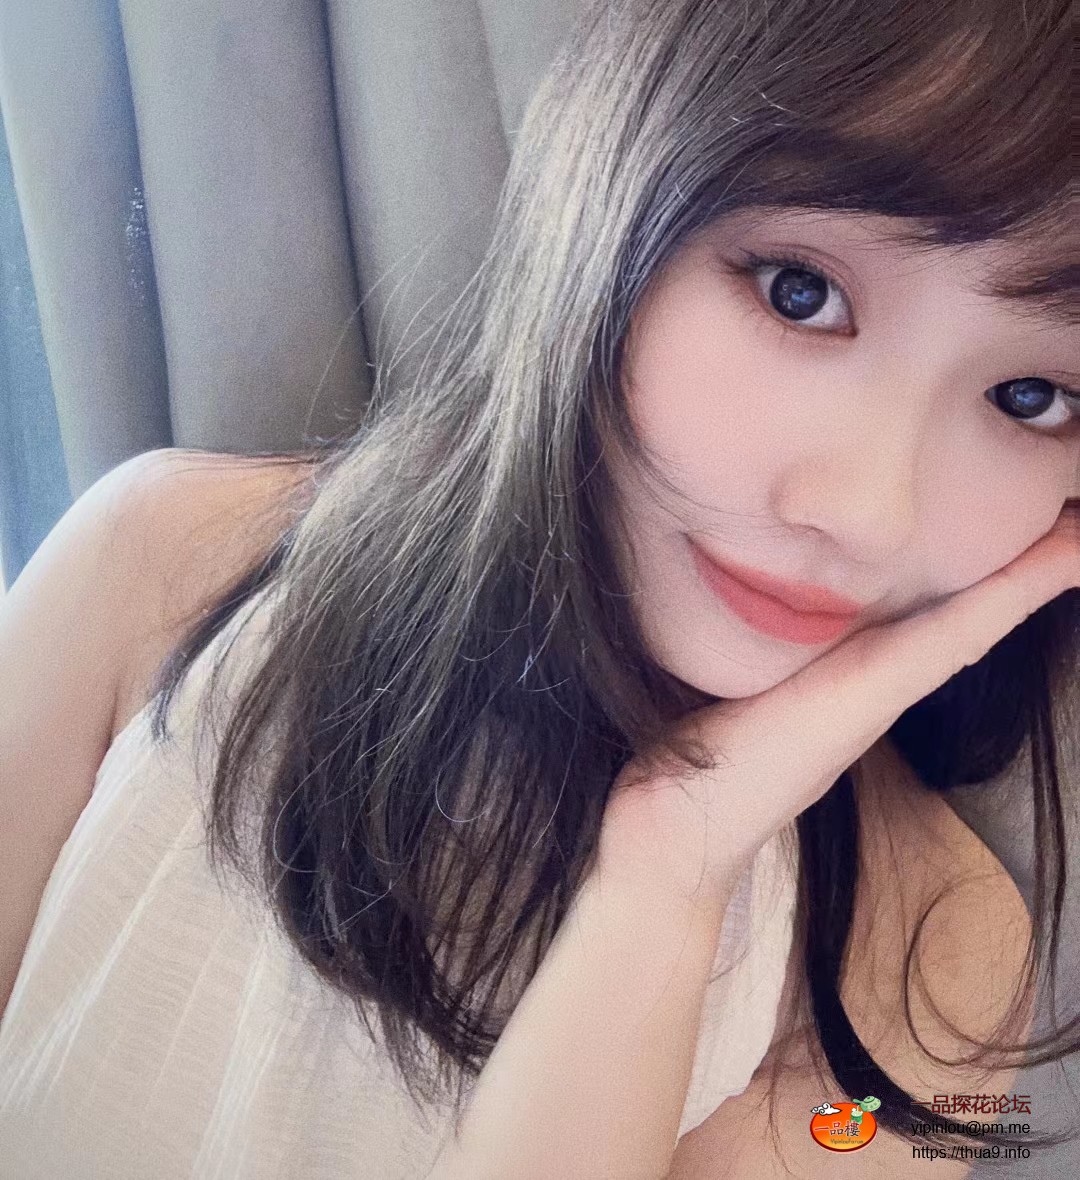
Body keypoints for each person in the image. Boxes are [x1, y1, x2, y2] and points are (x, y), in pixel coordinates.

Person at [1, 0, 1077, 1176]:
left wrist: (666, 880)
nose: (866, 513)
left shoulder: (932, 951)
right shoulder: (161, 561)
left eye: (1030, 398)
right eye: (797, 292)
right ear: (606, 190)